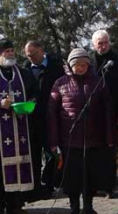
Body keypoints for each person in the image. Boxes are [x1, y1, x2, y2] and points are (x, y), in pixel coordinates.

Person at [48, 48, 115, 214]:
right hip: (69, 139)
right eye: (77, 64)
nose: (81, 67)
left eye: (84, 64)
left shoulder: (98, 82)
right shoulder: (60, 83)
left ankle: (88, 206)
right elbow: (51, 113)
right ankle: (74, 206)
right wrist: (53, 141)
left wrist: (110, 137)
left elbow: (108, 110)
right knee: (72, 177)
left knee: (90, 176)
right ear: (71, 65)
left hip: (93, 139)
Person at [23, 40, 65, 199]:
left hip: (51, 118)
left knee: (51, 153)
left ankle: (48, 185)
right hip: (31, 119)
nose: (31, 58)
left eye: (33, 54)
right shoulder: (25, 68)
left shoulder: (56, 66)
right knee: (33, 154)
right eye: (28, 55)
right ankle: (34, 188)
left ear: (41, 50)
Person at [0, 38, 37, 214]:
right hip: (1, 134)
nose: (10, 54)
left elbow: (35, 93)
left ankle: (17, 206)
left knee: (20, 167)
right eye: (6, 51)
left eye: (11, 50)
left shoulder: (24, 74)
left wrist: (30, 104)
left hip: (22, 129)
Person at [90, 30, 118, 198]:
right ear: (93, 45)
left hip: (111, 113)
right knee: (93, 151)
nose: (103, 46)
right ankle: (95, 185)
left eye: (105, 42)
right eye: (99, 43)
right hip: (91, 114)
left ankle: (109, 186)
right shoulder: (87, 61)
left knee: (109, 151)